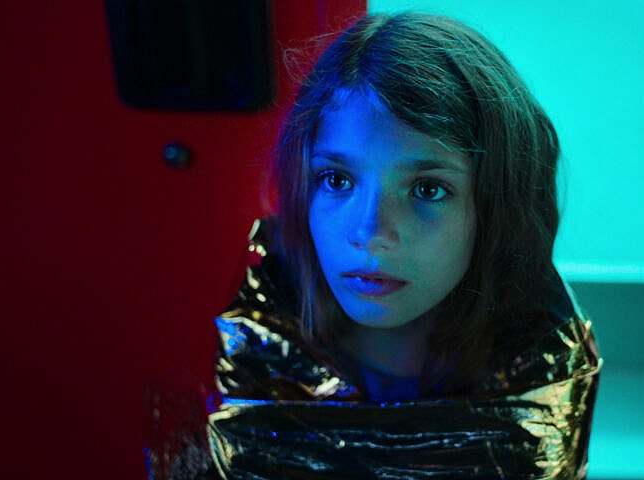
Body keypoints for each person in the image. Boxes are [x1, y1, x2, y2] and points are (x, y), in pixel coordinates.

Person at [153, 12, 601, 479]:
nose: (369, 232)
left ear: (496, 208)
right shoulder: (243, 340)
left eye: (427, 189)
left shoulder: (544, 365)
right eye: (337, 179)